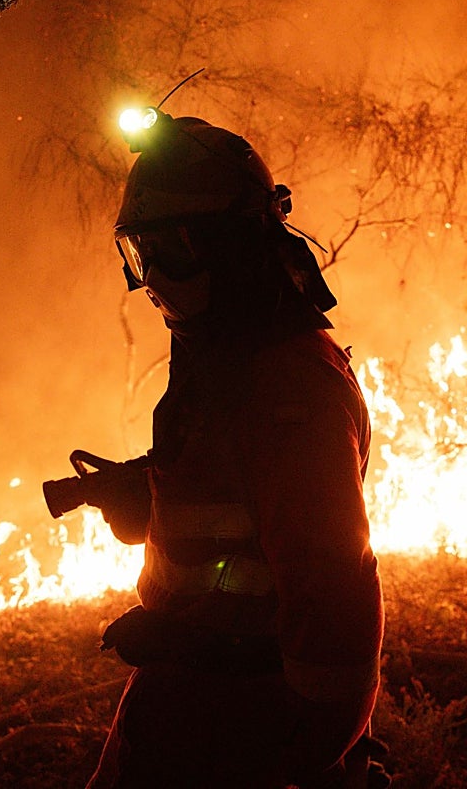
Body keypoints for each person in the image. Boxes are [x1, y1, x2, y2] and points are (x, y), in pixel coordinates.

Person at [83, 110, 386, 789]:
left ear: (234, 245)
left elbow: (330, 588)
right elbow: (233, 504)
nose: (156, 277)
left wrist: (306, 755)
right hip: (183, 712)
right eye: (141, 253)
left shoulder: (287, 389)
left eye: (175, 248)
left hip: (250, 731)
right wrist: (151, 494)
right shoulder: (224, 352)